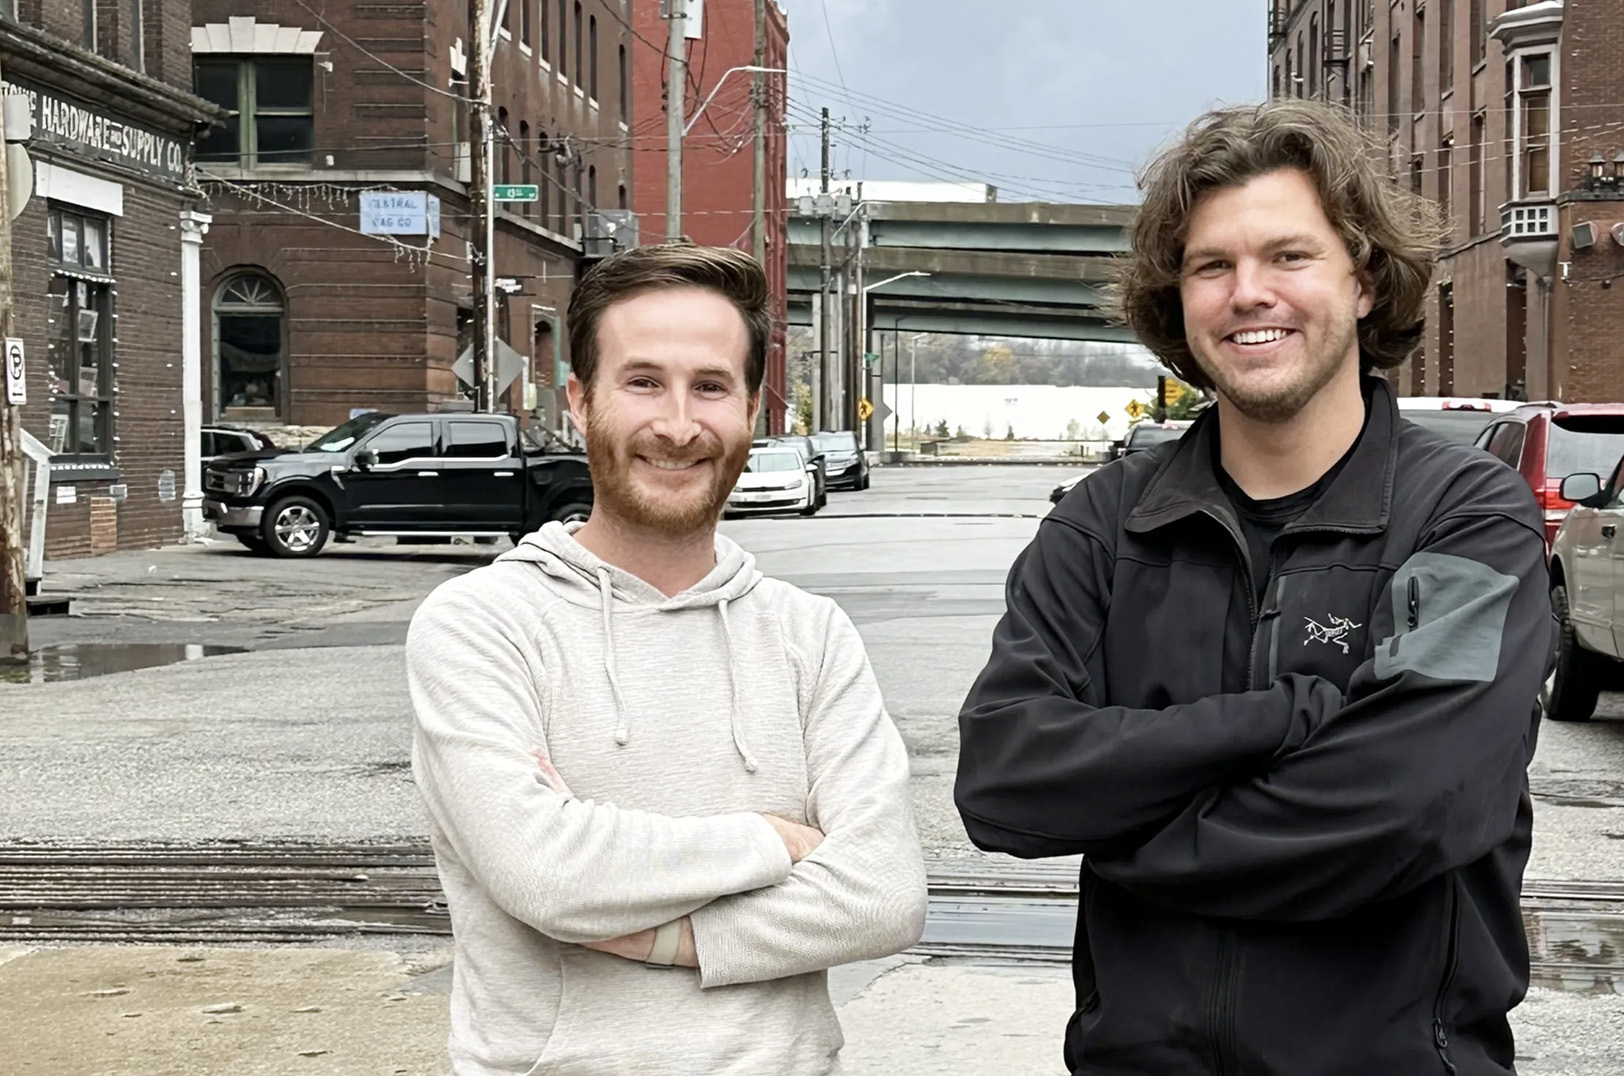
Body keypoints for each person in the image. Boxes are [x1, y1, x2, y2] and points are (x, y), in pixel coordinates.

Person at [955, 99, 1555, 1076]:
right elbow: (1004, 777)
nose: (1247, 292)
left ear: (1362, 280)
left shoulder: (1466, 518)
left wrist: (1127, 828)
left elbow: (1413, 803)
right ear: (1177, 299)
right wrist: (1284, 717)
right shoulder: (1105, 522)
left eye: (1288, 256)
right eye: (1210, 265)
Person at [407, 244, 927, 1076]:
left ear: (754, 409)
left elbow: (882, 897)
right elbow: (546, 875)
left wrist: (656, 931)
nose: (679, 425)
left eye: (711, 387)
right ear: (579, 402)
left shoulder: (811, 635)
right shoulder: (482, 624)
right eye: (643, 381)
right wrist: (771, 840)